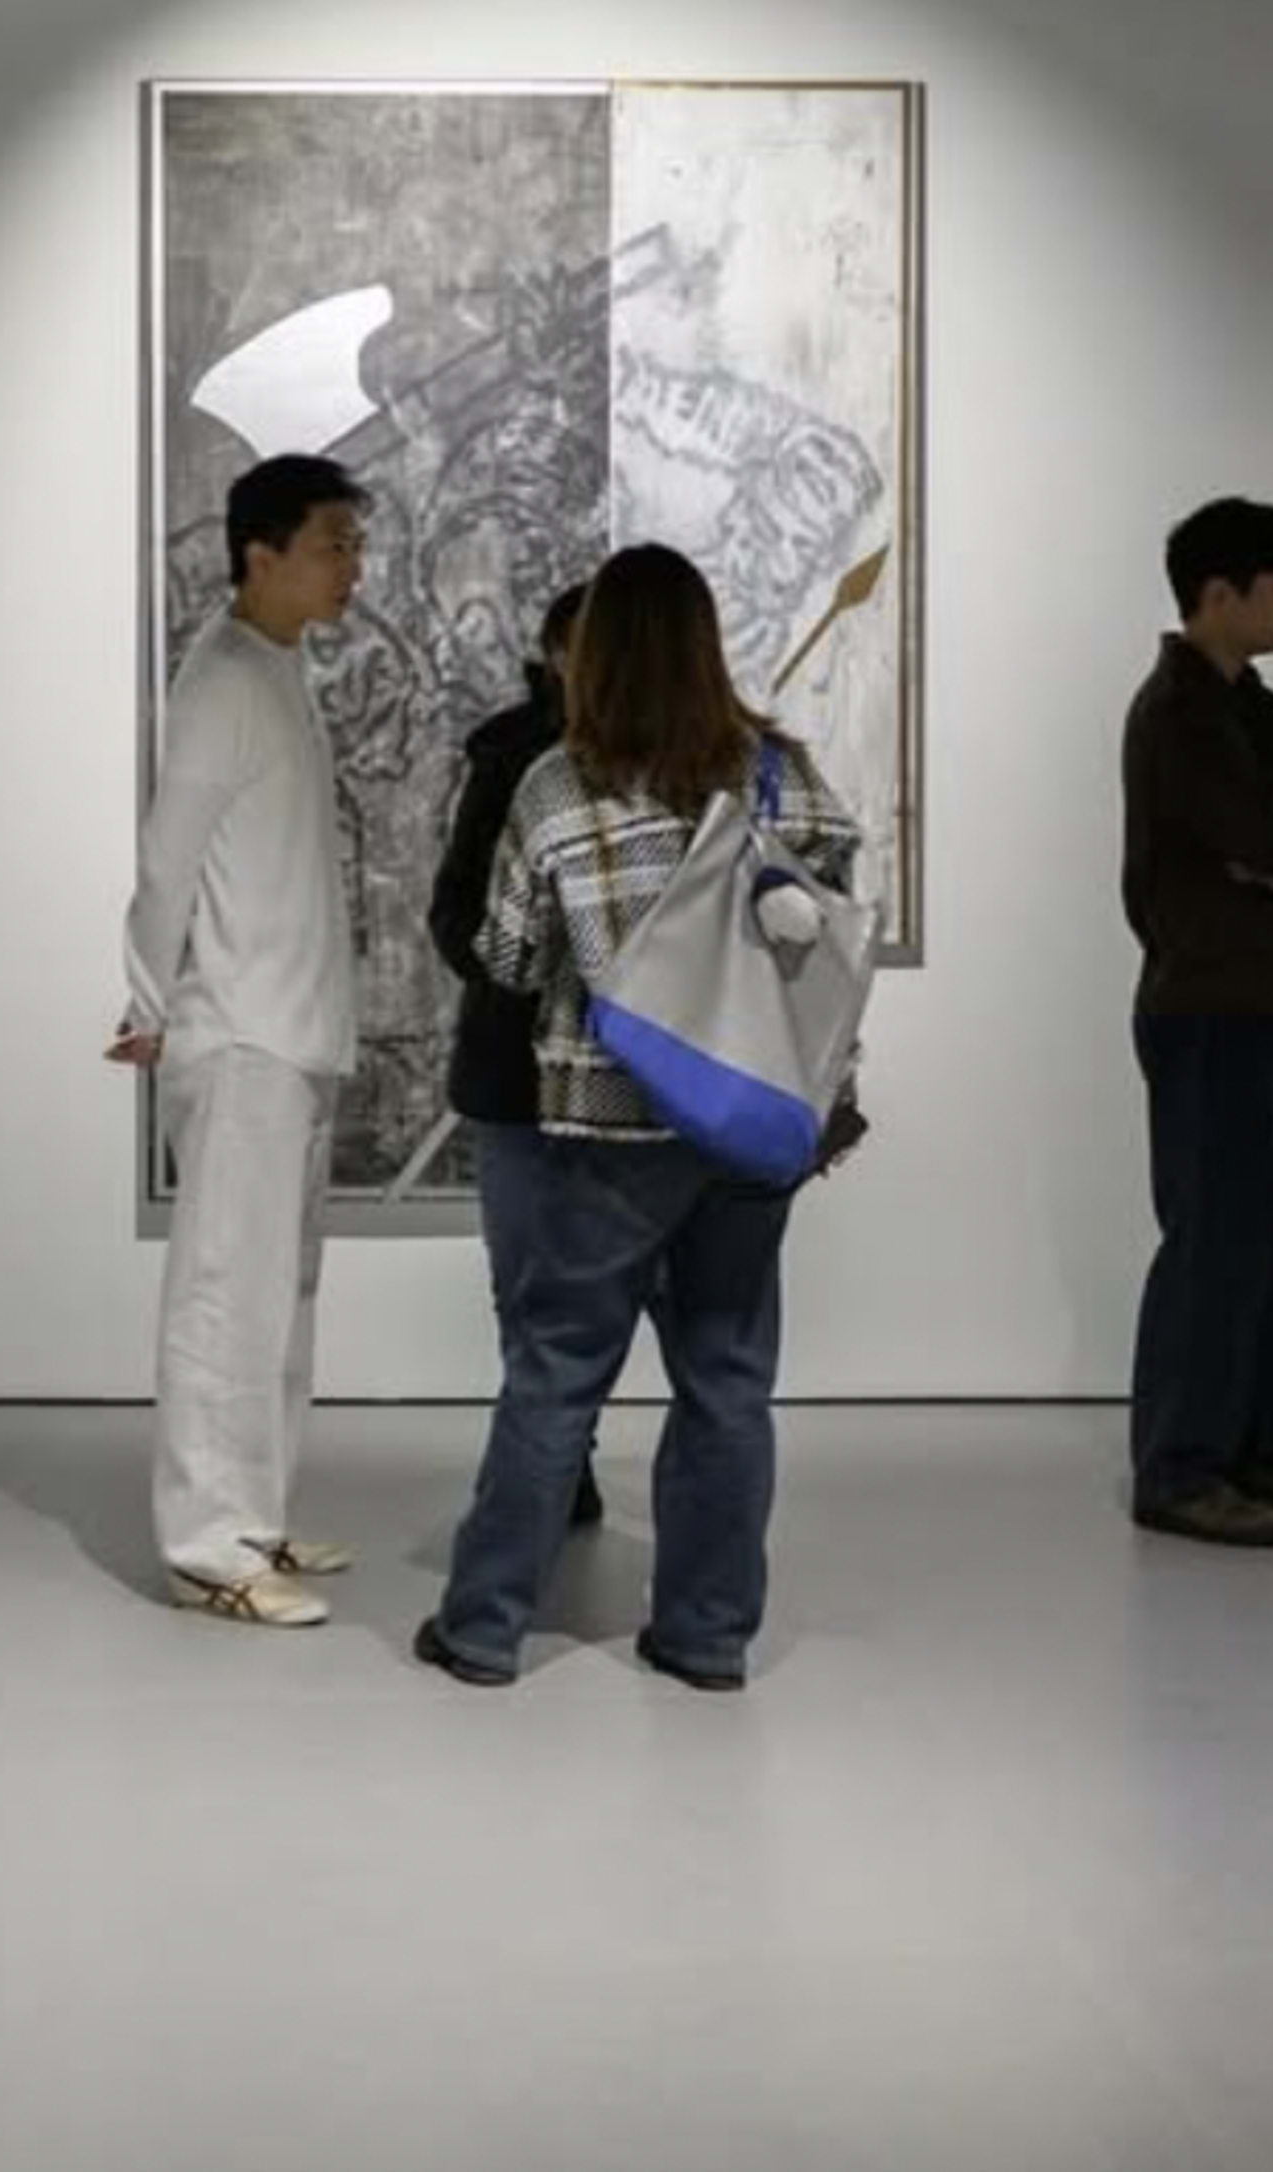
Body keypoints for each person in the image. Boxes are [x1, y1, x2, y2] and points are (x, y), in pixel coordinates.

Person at [416, 542, 859, 1691]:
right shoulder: (784, 775)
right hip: (749, 1125)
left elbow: (509, 959)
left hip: (606, 1129)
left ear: (595, 652)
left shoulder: (559, 787)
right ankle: (708, 1637)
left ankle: (482, 1627)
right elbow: (834, 936)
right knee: (727, 1378)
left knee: (557, 1372)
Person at [111, 454, 367, 1627]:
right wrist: (146, 1001)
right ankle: (210, 1547)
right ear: (258, 553)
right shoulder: (221, 681)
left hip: (296, 1030)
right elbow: (168, 859)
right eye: (330, 543)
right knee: (225, 1295)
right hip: (245, 1034)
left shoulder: (280, 668)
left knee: (281, 1294)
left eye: (353, 543)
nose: (349, 565)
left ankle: (253, 1512)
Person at [1119, 499, 1273, 1550]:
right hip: (1208, 1008)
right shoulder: (1177, 715)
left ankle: (1255, 1444)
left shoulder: (1258, 709)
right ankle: (1179, 1466)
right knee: (1214, 1241)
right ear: (1220, 594)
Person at [429, 581, 612, 1530]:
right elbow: (453, 913)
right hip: (515, 1068)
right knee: (527, 1286)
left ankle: (553, 1460)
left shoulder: (672, 752)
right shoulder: (509, 759)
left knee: (605, 1285)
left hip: (630, 1076)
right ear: (555, 653)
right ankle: (557, 1464)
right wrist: (527, 967)